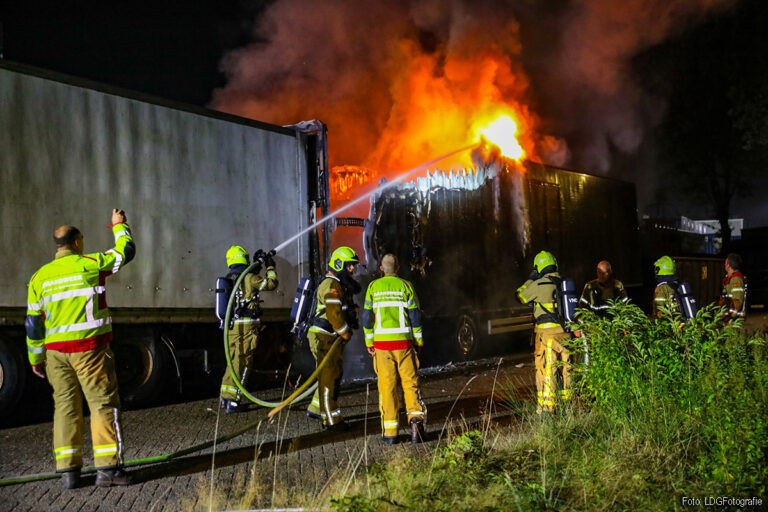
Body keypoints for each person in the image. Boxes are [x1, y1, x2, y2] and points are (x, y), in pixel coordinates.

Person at [25, 209, 135, 489]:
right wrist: (119, 226)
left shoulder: (40, 278)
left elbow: (33, 325)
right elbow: (125, 252)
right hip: (90, 350)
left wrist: (36, 359)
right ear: (76, 242)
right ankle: (108, 470)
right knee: (102, 404)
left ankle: (69, 472)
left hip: (55, 356)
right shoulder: (89, 264)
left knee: (64, 408)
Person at [362, 254, 426, 444]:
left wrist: (369, 342)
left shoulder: (373, 287)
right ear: (397, 267)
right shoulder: (406, 286)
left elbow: (367, 318)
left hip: (382, 347)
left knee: (387, 388)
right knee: (410, 384)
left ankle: (390, 434)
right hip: (404, 345)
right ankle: (416, 425)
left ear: (381, 269)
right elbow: (415, 316)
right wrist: (419, 341)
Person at [305, 246, 361, 431]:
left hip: (328, 336)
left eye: (353, 265)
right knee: (330, 377)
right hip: (323, 337)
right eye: (349, 265)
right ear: (339, 264)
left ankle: (315, 408)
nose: (352, 269)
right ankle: (330, 420)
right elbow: (334, 314)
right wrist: (344, 331)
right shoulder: (331, 285)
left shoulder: (337, 283)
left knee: (331, 373)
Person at [219, 246, 278, 413]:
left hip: (232, 328)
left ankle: (226, 397)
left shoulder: (231, 277)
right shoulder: (249, 277)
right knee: (243, 362)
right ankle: (234, 401)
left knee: (232, 361)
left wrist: (257, 264)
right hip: (246, 328)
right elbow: (271, 283)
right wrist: (271, 266)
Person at [516, 251, 572, 413]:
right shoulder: (563, 282)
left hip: (547, 336)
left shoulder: (539, 284)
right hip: (567, 333)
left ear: (539, 266)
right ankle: (569, 405)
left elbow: (519, 296)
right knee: (567, 368)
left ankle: (547, 409)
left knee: (547, 369)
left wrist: (530, 279)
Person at [717, 253, 747, 323]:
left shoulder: (736, 279)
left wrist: (730, 317)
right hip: (729, 317)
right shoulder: (730, 278)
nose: (724, 265)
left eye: (725, 263)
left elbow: (737, 300)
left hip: (733, 319)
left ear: (728, 265)